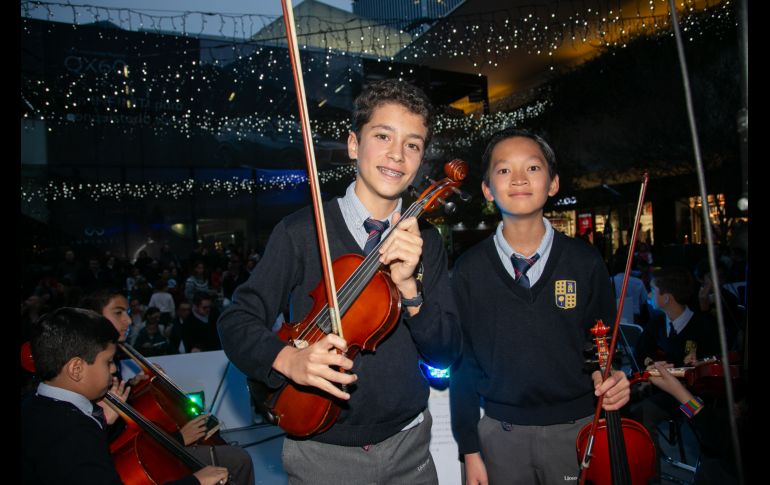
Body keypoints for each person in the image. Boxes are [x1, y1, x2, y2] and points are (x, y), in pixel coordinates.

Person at [218, 78, 462, 484]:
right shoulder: (301, 232)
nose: (397, 155)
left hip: (408, 448)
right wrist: (288, 360)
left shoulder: (428, 242)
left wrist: (410, 292)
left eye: (413, 144)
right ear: (353, 144)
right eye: (383, 136)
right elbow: (236, 321)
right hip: (321, 454)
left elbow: (445, 352)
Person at [449, 128, 630, 485]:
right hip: (500, 436)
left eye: (532, 168)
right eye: (503, 171)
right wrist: (469, 451)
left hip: (577, 430)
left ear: (553, 184)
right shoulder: (468, 270)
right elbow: (463, 364)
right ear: (487, 190)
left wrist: (613, 377)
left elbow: (607, 350)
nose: (518, 179)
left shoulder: (585, 261)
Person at [21, 307, 229, 485]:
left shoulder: (33, 405)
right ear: (76, 369)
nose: (113, 370)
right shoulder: (75, 432)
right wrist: (195, 481)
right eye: (108, 362)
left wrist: (102, 422)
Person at [79, 290, 254, 485]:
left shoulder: (111, 359)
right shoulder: (91, 366)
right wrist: (178, 438)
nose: (128, 320)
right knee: (238, 460)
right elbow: (113, 439)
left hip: (151, 447)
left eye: (127, 312)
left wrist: (133, 384)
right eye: (118, 313)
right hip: (143, 455)